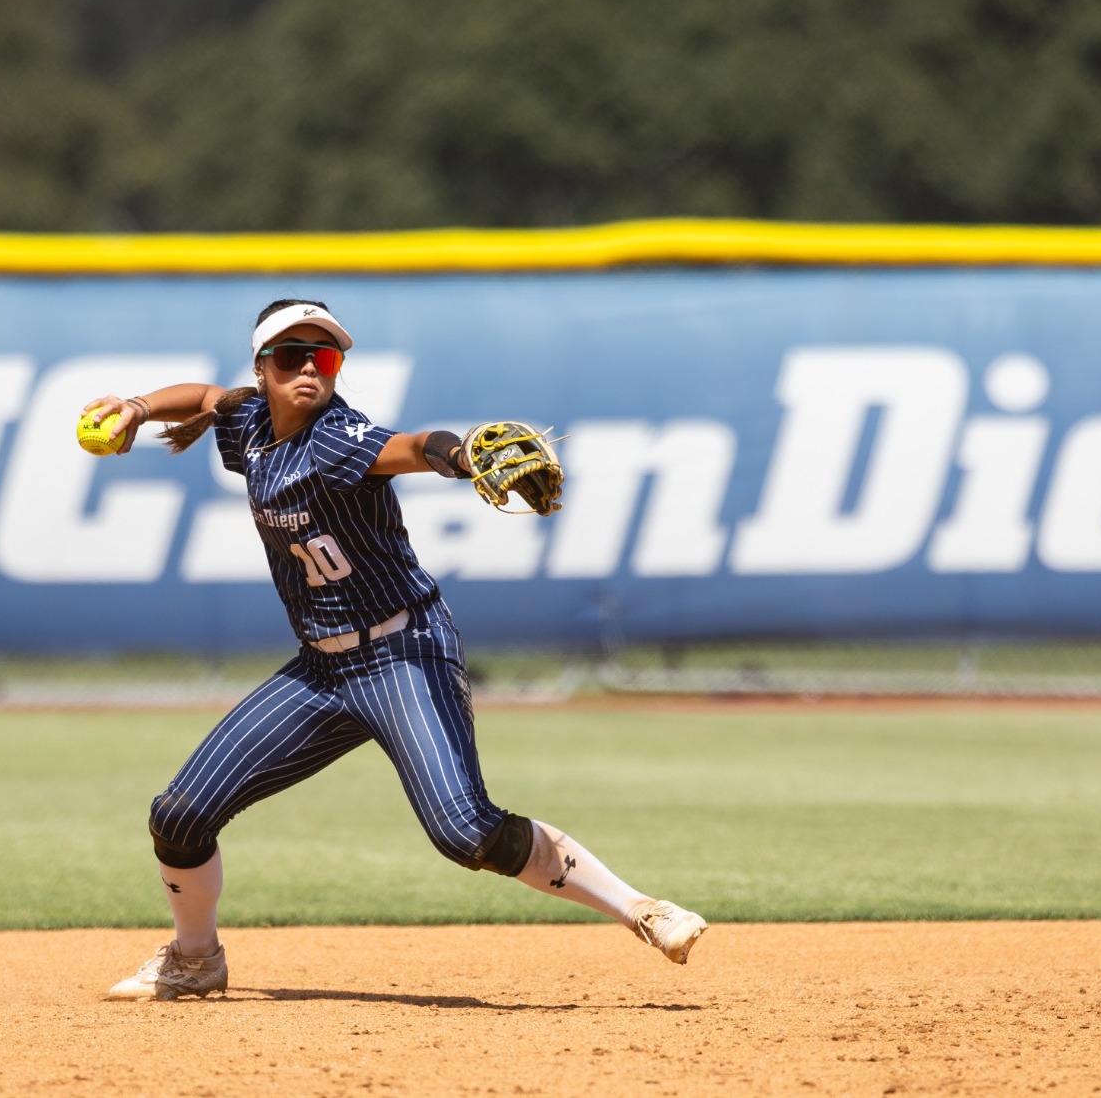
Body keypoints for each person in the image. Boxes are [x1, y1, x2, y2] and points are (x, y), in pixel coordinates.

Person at [85, 299, 707, 1001]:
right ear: (262, 368)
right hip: (322, 669)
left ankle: (642, 909)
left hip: (402, 652)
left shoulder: (335, 438)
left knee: (464, 829)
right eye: (292, 355)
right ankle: (195, 959)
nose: (311, 368)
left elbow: (412, 447)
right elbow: (203, 397)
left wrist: (464, 452)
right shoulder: (250, 420)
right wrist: (138, 408)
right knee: (179, 816)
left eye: (326, 356)